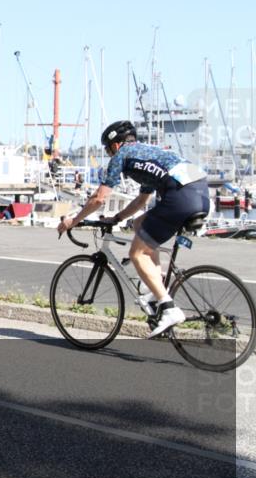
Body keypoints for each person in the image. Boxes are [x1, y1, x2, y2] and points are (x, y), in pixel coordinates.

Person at [57, 120, 210, 338]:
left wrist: (73, 220)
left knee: (136, 254)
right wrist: (118, 217)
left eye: (108, 149)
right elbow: (142, 200)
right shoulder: (147, 153)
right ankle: (155, 290)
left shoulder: (123, 154)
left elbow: (100, 198)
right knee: (140, 224)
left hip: (181, 196)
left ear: (116, 145)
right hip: (200, 193)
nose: (110, 155)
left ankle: (169, 308)